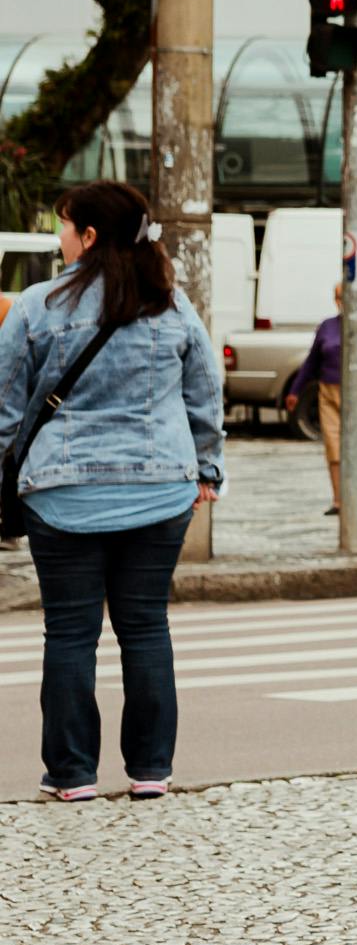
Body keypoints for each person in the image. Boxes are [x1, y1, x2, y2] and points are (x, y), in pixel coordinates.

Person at [0, 182, 224, 802]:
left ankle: (71, 776)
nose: (60, 236)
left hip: (61, 493)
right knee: (146, 627)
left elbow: (4, 406)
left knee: (70, 633)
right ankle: (150, 771)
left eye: (65, 226)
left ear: (89, 237)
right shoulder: (171, 306)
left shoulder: (35, 306)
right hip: (160, 492)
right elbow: (205, 393)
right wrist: (206, 469)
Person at [283, 275, 357, 515]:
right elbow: (311, 362)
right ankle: (339, 499)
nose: (343, 302)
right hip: (329, 392)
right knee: (334, 446)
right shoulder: (327, 327)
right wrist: (295, 390)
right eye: (339, 298)